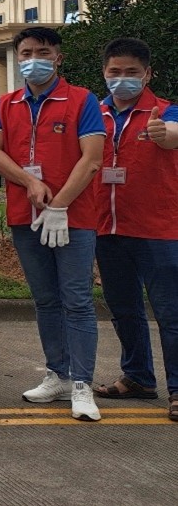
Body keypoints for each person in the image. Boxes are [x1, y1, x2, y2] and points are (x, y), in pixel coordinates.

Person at [0, 27, 105, 422]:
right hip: (26, 215)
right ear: (18, 57)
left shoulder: (82, 100)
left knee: (77, 300)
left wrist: (61, 204)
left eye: (43, 52)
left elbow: (92, 159)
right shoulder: (7, 103)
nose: (33, 59)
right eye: (26, 53)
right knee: (46, 300)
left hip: (74, 217)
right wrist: (30, 182)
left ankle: (82, 383)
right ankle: (58, 374)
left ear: (58, 58)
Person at [91, 37, 178, 423]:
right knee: (124, 309)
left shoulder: (166, 111)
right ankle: (138, 377)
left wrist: (166, 135)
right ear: (104, 73)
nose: (122, 78)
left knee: (171, 313)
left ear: (147, 74)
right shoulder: (95, 114)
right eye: (115, 71)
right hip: (108, 227)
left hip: (160, 229)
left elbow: (174, 133)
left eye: (132, 72)